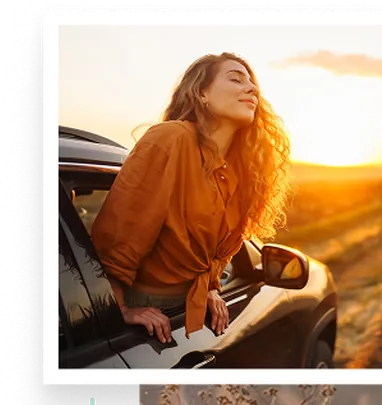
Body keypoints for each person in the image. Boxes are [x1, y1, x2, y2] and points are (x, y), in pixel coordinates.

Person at [90, 53, 292, 345]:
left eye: (252, 83)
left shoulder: (237, 171)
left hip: (189, 313)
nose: (252, 89)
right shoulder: (171, 139)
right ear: (201, 92)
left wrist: (209, 288)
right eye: (236, 79)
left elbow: (210, 250)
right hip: (148, 311)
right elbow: (123, 229)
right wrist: (118, 309)